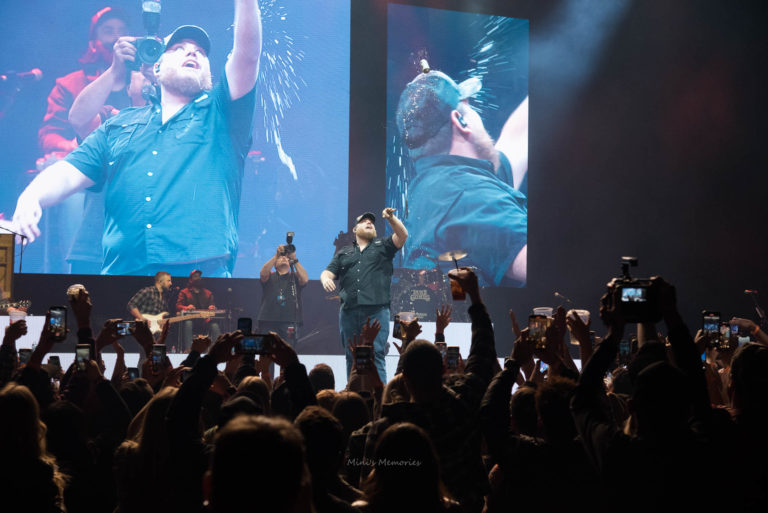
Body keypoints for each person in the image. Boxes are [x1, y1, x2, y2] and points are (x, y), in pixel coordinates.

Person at [12, 0, 263, 277]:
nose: (192, 51)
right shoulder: (120, 124)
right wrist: (31, 196)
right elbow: (70, 171)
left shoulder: (221, 116)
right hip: (122, 280)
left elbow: (247, 55)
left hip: (199, 282)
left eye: (201, 53)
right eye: (178, 48)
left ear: (209, 73)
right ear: (155, 68)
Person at [395, 68, 527, 286]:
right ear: (460, 122)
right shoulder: (469, 198)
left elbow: (518, 139)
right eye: (469, 106)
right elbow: (552, 265)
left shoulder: (440, 187)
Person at [36, 6, 133, 274]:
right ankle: (77, 271)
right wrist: (76, 150)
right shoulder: (69, 83)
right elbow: (49, 134)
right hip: (88, 173)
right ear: (93, 40)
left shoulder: (142, 81)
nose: (116, 37)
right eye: (108, 31)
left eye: (122, 31)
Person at [321, 209, 408, 382]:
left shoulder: (383, 246)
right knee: (351, 355)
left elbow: (402, 235)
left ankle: (378, 401)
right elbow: (327, 272)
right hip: (349, 312)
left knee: (376, 354)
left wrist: (391, 219)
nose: (369, 223)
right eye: (364, 221)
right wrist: (325, 279)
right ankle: (353, 395)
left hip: (376, 311)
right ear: (355, 229)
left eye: (372, 222)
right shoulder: (344, 253)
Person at [257, 244, 308, 346]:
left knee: (288, 353)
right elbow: (263, 273)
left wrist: (295, 259)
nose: (284, 258)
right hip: (268, 320)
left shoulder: (294, 277)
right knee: (268, 354)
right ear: (275, 265)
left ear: (289, 264)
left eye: (286, 258)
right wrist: (276, 255)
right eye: (281, 258)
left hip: (290, 320)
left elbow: (305, 279)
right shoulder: (270, 276)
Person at [176, 269, 221, 350]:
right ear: (190, 279)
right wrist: (186, 308)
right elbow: (178, 305)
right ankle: (189, 350)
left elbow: (213, 306)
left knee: (215, 326)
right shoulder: (184, 292)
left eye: (199, 276)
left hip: (204, 321)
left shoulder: (208, 293)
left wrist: (212, 308)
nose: (198, 278)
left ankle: (215, 351)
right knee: (188, 324)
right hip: (190, 319)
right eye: (195, 276)